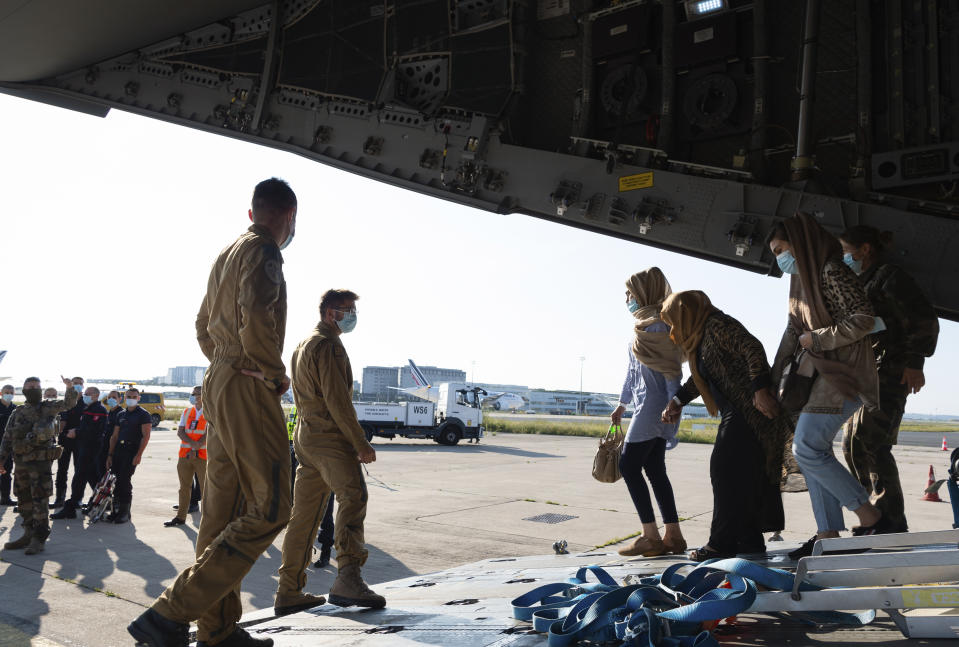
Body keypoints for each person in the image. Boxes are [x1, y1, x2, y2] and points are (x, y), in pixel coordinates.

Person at [129, 177, 297, 647]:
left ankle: (218, 630)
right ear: (287, 217)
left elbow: (203, 323)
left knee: (222, 510)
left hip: (220, 380)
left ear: (252, 212)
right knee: (271, 506)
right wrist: (268, 371)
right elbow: (260, 313)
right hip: (246, 381)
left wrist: (222, 360)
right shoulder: (265, 251)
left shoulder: (226, 255)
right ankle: (171, 611)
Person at [767, 212, 889, 560]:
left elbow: (863, 318)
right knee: (812, 452)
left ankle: (870, 517)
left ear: (799, 244)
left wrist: (816, 339)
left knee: (806, 447)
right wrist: (769, 380)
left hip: (845, 372)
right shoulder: (800, 283)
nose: (779, 260)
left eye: (780, 250)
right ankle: (829, 534)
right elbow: (793, 332)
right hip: (822, 373)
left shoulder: (831, 271)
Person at [274, 289, 384, 615]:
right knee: (354, 497)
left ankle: (289, 589)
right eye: (346, 310)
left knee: (304, 516)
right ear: (328, 312)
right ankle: (348, 578)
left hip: (306, 437)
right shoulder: (329, 346)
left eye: (353, 310)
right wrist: (360, 442)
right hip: (328, 438)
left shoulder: (303, 343)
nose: (351, 316)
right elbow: (338, 400)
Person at [661, 291, 789, 561]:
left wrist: (760, 388)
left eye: (674, 321)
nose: (674, 329)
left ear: (688, 313)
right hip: (739, 411)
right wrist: (677, 400)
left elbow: (751, 347)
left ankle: (721, 542)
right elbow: (700, 378)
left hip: (749, 411)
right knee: (745, 479)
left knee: (725, 472)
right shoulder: (702, 337)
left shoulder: (717, 325)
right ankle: (749, 541)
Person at [839, 225, 939, 533]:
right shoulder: (865, 280)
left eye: (847, 250)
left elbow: (926, 321)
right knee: (852, 442)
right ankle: (873, 515)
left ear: (865, 249)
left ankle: (890, 520)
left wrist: (915, 362)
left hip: (893, 370)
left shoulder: (891, 277)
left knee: (870, 441)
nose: (845, 257)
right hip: (870, 372)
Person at [609, 268, 687, 558]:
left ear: (645, 292)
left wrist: (673, 402)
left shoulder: (658, 326)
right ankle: (674, 535)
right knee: (655, 470)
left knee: (629, 466)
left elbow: (671, 370)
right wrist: (622, 404)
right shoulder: (643, 326)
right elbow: (632, 372)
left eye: (631, 293)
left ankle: (650, 536)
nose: (627, 299)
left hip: (655, 405)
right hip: (645, 405)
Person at [0, 376, 77, 554]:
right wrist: (1, 459)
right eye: (30, 386)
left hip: (40, 464)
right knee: (23, 498)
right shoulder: (17, 412)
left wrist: (70, 387)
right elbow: (8, 436)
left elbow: (69, 403)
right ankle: (28, 533)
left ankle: (39, 538)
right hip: (20, 463)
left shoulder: (48, 408)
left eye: (36, 386)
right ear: (24, 389)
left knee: (40, 499)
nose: (33, 388)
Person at [52, 386, 108, 519]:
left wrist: (76, 432)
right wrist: (76, 431)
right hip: (85, 446)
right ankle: (98, 502)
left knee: (80, 477)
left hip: (91, 448)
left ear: (96, 395)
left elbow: (94, 430)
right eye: (85, 394)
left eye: (88, 394)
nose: (85, 396)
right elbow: (86, 427)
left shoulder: (98, 410)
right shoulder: (89, 409)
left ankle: (71, 506)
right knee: (91, 476)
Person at [105, 388, 152, 523]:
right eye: (128, 396)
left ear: (138, 398)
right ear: (124, 398)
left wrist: (139, 455)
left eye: (134, 396)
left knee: (124, 481)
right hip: (118, 450)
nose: (131, 398)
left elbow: (146, 436)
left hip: (131, 451)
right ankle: (116, 511)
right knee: (115, 481)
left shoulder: (143, 415)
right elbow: (114, 436)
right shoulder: (121, 414)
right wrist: (110, 455)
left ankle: (125, 513)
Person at [165, 386, 206, 527]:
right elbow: (180, 431)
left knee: (206, 489)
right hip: (185, 456)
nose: (193, 396)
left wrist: (198, 445)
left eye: (196, 394)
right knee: (184, 487)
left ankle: (208, 521)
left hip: (203, 456)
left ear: (203, 394)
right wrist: (192, 444)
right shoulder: (187, 411)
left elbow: (211, 432)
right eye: (192, 394)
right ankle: (180, 517)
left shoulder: (211, 411)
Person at [52, 376, 85, 509]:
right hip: (64, 440)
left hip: (80, 441)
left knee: (79, 471)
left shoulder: (86, 403)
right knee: (61, 470)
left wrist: (77, 430)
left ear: (83, 385)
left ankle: (77, 499)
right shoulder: (65, 402)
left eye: (80, 383)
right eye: (75, 383)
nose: (77, 385)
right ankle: (60, 498)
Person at [0, 384, 17, 506]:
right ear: (1, 393)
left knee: (6, 471)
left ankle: (5, 498)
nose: (9, 394)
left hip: (8, 446)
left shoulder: (16, 409)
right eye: (6, 392)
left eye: (11, 392)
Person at [313, 493, 335, 568]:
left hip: (329, 482)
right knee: (305, 514)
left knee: (326, 514)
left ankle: (325, 552)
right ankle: (304, 551)